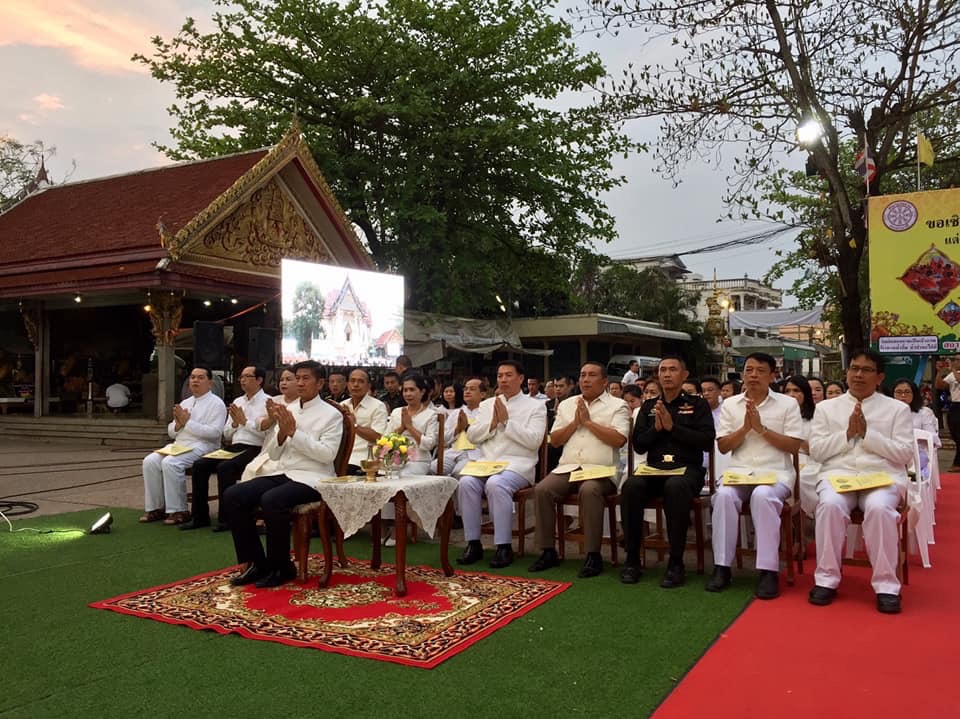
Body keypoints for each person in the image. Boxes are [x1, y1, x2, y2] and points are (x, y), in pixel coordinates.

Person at [807, 350, 913, 614]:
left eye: (866, 370)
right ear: (846, 372)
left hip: (881, 477)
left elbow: (904, 454)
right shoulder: (825, 408)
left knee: (879, 509)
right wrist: (847, 434)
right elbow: (817, 451)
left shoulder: (897, 409)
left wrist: (868, 434)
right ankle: (826, 580)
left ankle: (887, 586)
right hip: (837, 475)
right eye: (854, 368)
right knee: (830, 505)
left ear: (879, 377)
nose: (858, 374)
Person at [222, 360, 344, 589]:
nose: (299, 382)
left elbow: (327, 455)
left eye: (306, 378)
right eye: (297, 377)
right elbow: (276, 454)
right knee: (233, 495)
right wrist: (281, 435)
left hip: (314, 476)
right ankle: (258, 563)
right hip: (284, 471)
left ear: (320, 383)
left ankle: (282, 566)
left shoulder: (331, 414)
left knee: (272, 499)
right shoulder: (288, 409)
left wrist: (294, 433)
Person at [706, 353, 803, 599]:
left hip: (776, 473)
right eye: (749, 370)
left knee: (763, 495)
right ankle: (722, 566)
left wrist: (761, 429)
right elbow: (724, 446)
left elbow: (793, 446)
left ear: (773, 375)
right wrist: (746, 428)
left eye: (760, 371)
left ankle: (768, 570)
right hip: (739, 473)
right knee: (724, 496)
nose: (753, 375)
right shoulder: (730, 404)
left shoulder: (787, 404)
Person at [620, 356, 715, 587]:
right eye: (663, 370)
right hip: (655, 469)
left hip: (687, 470)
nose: (667, 374)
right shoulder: (649, 406)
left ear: (684, 375)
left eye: (673, 369)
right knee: (631, 486)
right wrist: (656, 429)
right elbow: (640, 444)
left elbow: (706, 441)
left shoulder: (697, 404)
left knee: (676, 487)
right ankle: (632, 560)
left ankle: (676, 562)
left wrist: (674, 428)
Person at [529, 361, 630, 578]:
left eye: (592, 375)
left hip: (600, 469)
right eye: (583, 375)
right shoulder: (567, 404)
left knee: (589, 490)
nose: (585, 379)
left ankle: (593, 555)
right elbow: (554, 440)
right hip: (569, 466)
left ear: (604, 382)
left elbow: (619, 439)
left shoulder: (617, 405)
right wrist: (575, 423)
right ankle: (548, 551)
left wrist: (589, 423)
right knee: (542, 490)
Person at [457, 360, 547, 569]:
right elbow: (472, 435)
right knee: (466, 482)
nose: (503, 379)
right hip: (487, 463)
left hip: (518, 465)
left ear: (521, 378)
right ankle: (473, 543)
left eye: (508, 375)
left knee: (496, 484)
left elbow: (534, 440)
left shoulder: (536, 405)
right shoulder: (487, 404)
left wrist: (507, 422)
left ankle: (503, 546)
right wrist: (493, 423)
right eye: (500, 376)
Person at [181, 366, 269, 531]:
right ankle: (199, 517)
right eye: (241, 376)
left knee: (225, 468)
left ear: (259, 380)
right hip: (234, 446)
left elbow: (265, 434)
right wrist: (235, 423)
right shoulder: (238, 401)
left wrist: (244, 422)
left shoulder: (268, 402)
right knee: (200, 465)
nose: (242, 380)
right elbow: (226, 433)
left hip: (256, 447)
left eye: (247, 376)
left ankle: (227, 518)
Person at [140, 367, 227, 525]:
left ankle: (179, 510)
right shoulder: (186, 402)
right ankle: (156, 508)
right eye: (193, 377)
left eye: (200, 378)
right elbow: (171, 431)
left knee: (171, 463)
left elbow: (214, 433)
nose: (195, 381)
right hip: (179, 445)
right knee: (150, 461)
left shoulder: (217, 404)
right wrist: (178, 425)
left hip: (204, 446)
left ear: (210, 383)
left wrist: (187, 423)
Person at [240, 366, 300, 482]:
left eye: (288, 379)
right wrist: (271, 418)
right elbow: (259, 425)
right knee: (251, 470)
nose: (284, 383)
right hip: (269, 449)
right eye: (282, 380)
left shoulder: (302, 403)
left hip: (291, 451)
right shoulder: (273, 400)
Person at [383, 373, 439, 476]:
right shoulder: (396, 412)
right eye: (405, 390)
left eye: (412, 390)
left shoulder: (431, 414)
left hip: (419, 461)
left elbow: (429, 444)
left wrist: (410, 427)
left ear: (422, 392)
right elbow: (385, 440)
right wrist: (402, 427)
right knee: (383, 474)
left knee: (402, 475)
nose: (408, 394)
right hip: (395, 460)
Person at [342, 368, 389, 474]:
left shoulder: (378, 406)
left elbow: (378, 437)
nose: (356, 384)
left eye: (360, 381)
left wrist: (354, 424)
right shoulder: (342, 405)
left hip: (362, 459)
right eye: (352, 381)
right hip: (341, 457)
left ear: (368, 386)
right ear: (347, 384)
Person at [892, 379, 941, 476]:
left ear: (914, 394)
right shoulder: (887, 413)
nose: (903, 396)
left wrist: (912, 435)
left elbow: (932, 438)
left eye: (907, 392)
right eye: (899, 392)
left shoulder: (924, 412)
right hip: (892, 451)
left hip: (916, 453)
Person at [438, 377, 485, 476]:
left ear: (482, 394)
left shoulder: (486, 412)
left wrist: (467, 427)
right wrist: (457, 430)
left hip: (474, 453)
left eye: (472, 389)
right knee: (433, 469)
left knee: (459, 472)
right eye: (466, 389)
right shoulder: (456, 413)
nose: (467, 392)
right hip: (454, 451)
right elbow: (444, 439)